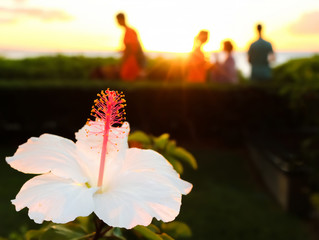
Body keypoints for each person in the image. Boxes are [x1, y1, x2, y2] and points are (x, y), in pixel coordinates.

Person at [116, 13, 145, 81]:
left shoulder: (129, 31)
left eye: (117, 20)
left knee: (128, 79)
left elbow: (131, 48)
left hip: (132, 60)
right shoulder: (128, 30)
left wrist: (123, 61)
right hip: (133, 59)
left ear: (122, 19)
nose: (117, 22)